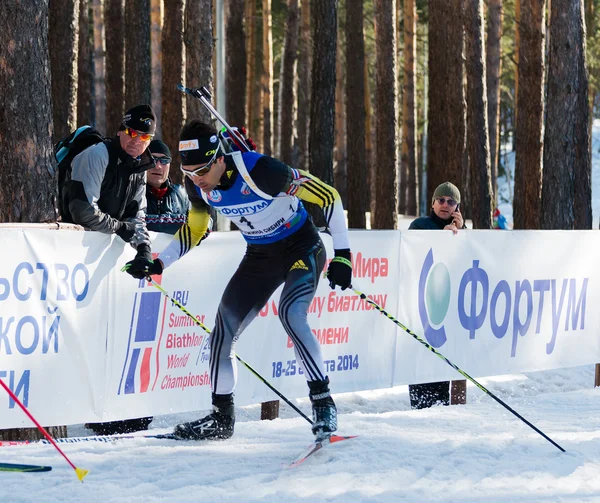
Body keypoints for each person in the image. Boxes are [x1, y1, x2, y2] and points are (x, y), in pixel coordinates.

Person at [122, 120, 353, 441]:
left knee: (291, 314)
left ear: (219, 158)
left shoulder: (261, 171)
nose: (197, 181)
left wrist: (343, 255)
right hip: (260, 257)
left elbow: (328, 196)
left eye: (202, 171)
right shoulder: (196, 183)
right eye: (189, 174)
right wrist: (158, 263)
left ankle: (322, 402)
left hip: (301, 248)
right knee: (221, 334)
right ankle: (221, 417)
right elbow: (196, 228)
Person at [60, 104, 158, 435]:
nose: (136, 140)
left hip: (102, 257)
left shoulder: (140, 167)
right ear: (120, 130)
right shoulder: (96, 154)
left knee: (113, 333)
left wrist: (144, 248)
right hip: (71, 254)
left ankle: (119, 410)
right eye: (131, 133)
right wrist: (120, 229)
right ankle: (87, 410)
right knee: (80, 334)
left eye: (144, 136)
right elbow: (81, 209)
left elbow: (138, 215)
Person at [408, 181, 467, 409]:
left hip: (446, 306)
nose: (445, 205)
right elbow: (413, 252)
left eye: (451, 202)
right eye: (441, 200)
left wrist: (460, 234)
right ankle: (420, 405)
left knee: (442, 360)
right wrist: (440, 237)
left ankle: (441, 408)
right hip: (421, 307)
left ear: (457, 208)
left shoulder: (460, 231)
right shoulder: (420, 224)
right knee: (422, 360)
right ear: (432, 202)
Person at [145, 139, 191, 234]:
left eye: (164, 161)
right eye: (153, 159)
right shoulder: (132, 192)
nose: (158, 166)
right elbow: (131, 224)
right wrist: (182, 222)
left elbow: (205, 221)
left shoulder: (180, 194)